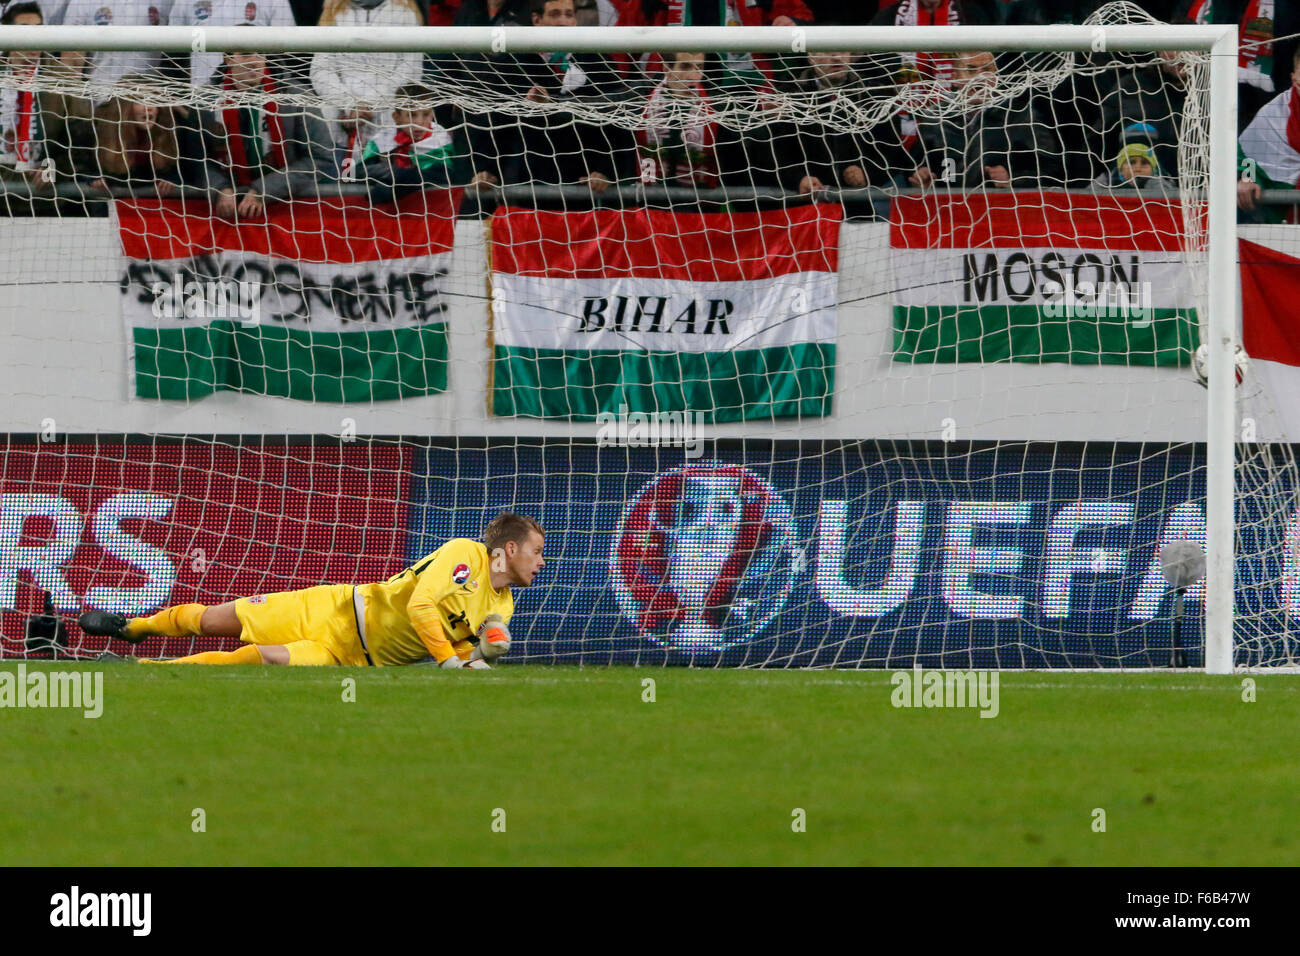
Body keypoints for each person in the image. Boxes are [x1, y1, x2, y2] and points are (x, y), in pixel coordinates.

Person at [78, 512, 546, 669]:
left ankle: (139, 668)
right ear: (510, 548)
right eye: (537, 551)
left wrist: (481, 657)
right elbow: (424, 605)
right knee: (214, 621)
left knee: (264, 658)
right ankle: (134, 628)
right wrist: (452, 660)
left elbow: (468, 655)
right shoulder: (465, 555)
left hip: (350, 658)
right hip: (335, 610)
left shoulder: (501, 605)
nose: (541, 562)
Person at [208, 46, 338, 217]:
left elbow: (322, 157)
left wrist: (264, 190)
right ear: (228, 59)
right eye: (246, 54)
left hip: (287, 208)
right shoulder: (207, 101)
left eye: (260, 54)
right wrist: (221, 188)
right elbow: (196, 161)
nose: (255, 61)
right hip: (226, 210)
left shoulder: (296, 96)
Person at [907, 50, 1064, 190]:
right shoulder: (934, 117)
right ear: (955, 79)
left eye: (987, 70)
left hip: (1002, 212)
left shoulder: (1020, 116)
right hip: (947, 212)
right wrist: (921, 176)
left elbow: (1054, 169)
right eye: (971, 70)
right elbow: (914, 167)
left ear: (995, 77)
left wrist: (1014, 179)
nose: (981, 78)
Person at [310, 0, 424, 180]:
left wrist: (370, 104)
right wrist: (349, 105)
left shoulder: (405, 12)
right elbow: (321, 69)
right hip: (339, 127)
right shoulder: (334, 12)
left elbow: (411, 70)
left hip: (389, 129)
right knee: (337, 195)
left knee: (384, 196)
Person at [360, 82, 457, 202]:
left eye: (426, 114)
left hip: (431, 210)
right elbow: (358, 172)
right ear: (397, 118)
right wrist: (393, 172)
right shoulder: (382, 140)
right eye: (411, 115)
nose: (419, 122)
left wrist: (399, 182)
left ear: (432, 114)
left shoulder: (441, 140)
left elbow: (445, 177)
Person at [636, 51, 718, 188]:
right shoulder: (642, 97)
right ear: (666, 69)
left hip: (698, 196)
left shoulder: (715, 104)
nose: (693, 77)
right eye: (685, 67)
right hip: (652, 194)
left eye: (699, 67)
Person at [169, 0, 297, 88]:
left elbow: (286, 48)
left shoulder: (275, 2)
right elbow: (172, 50)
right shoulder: (184, 2)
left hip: (259, 93)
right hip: (204, 95)